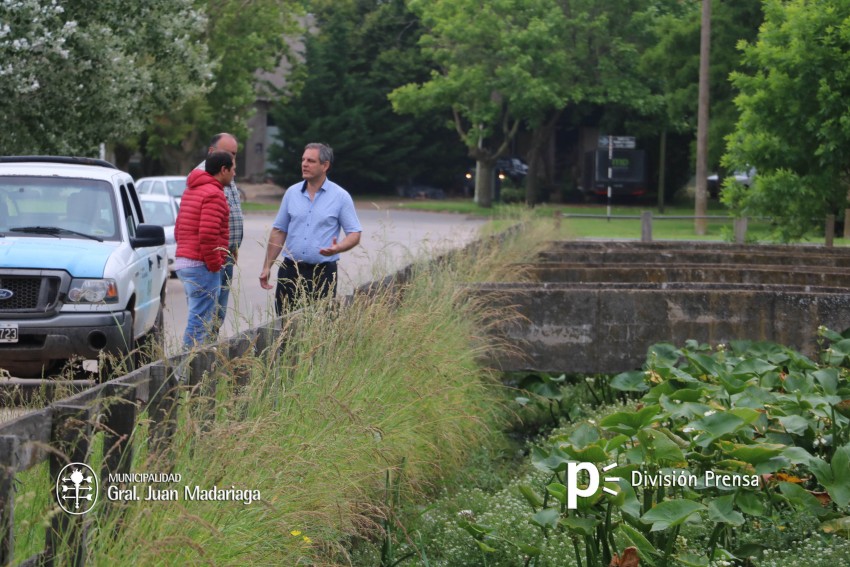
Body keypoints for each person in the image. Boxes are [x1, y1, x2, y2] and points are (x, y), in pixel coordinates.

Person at [260, 143, 362, 315]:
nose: (304, 164)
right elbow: (279, 231)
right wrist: (266, 266)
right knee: (284, 325)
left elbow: (355, 233)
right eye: (303, 160)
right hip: (291, 270)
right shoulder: (291, 193)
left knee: (317, 326)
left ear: (325, 165)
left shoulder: (340, 196)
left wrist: (339, 247)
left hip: (322, 273)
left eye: (311, 161)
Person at [175, 151, 233, 348]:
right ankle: (185, 372)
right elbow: (208, 235)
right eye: (233, 170)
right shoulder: (213, 194)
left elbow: (178, 229)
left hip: (185, 261)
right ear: (223, 170)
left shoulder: (192, 190)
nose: (234, 174)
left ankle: (188, 369)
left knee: (197, 315)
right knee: (200, 323)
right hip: (201, 265)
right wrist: (216, 264)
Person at [196, 133, 244, 333]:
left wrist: (233, 247)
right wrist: (215, 258)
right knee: (205, 315)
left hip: (226, 255)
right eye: (227, 153)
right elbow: (204, 227)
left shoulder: (226, 171)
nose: (232, 159)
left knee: (218, 314)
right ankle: (200, 358)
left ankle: (210, 354)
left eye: (234, 154)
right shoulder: (204, 176)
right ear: (211, 152)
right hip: (211, 259)